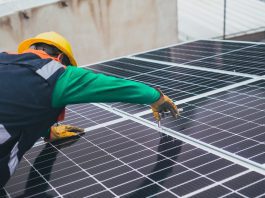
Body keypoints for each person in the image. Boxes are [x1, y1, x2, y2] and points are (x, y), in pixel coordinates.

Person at [0, 31, 179, 187]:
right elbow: (114, 86)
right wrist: (156, 97)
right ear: (62, 58)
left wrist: (48, 132)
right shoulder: (57, 73)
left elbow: (20, 100)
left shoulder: (4, 58)